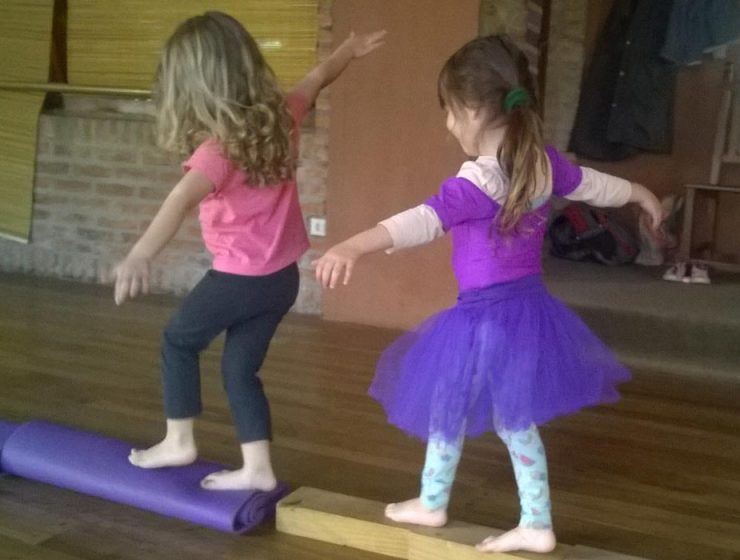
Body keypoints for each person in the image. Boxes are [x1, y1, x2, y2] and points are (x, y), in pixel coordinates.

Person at [313, 35, 663, 553]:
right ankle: (487, 512)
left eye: (450, 113)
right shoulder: (540, 162)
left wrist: (355, 245)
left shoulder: (479, 179)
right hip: (527, 310)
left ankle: (487, 513)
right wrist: (641, 193)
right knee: (493, 413)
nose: (449, 125)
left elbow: (423, 220)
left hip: (483, 317)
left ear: (474, 110)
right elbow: (594, 185)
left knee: (479, 411)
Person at [110, 11, 385, 491]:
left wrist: (140, 255)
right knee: (240, 370)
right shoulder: (280, 118)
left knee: (179, 342)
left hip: (238, 281)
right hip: (281, 280)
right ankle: (257, 469)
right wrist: (348, 50)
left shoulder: (217, 153)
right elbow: (318, 79)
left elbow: (177, 201)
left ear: (195, 89)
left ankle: (179, 439)